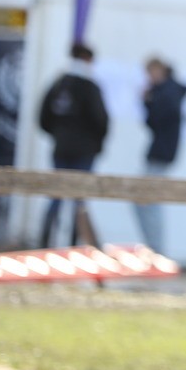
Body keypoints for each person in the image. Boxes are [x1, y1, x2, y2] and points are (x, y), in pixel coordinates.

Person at [38, 42, 109, 248]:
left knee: (56, 195)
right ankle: (74, 246)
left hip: (62, 148)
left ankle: (45, 244)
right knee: (79, 200)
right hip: (84, 151)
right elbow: (101, 120)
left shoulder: (59, 85)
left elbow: (43, 117)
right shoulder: (90, 87)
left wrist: (59, 135)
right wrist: (95, 143)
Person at [133, 57, 186, 253]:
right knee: (145, 200)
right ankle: (154, 247)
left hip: (161, 152)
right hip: (161, 152)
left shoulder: (167, 92)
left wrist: (148, 101)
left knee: (147, 200)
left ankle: (156, 249)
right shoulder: (168, 91)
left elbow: (156, 121)